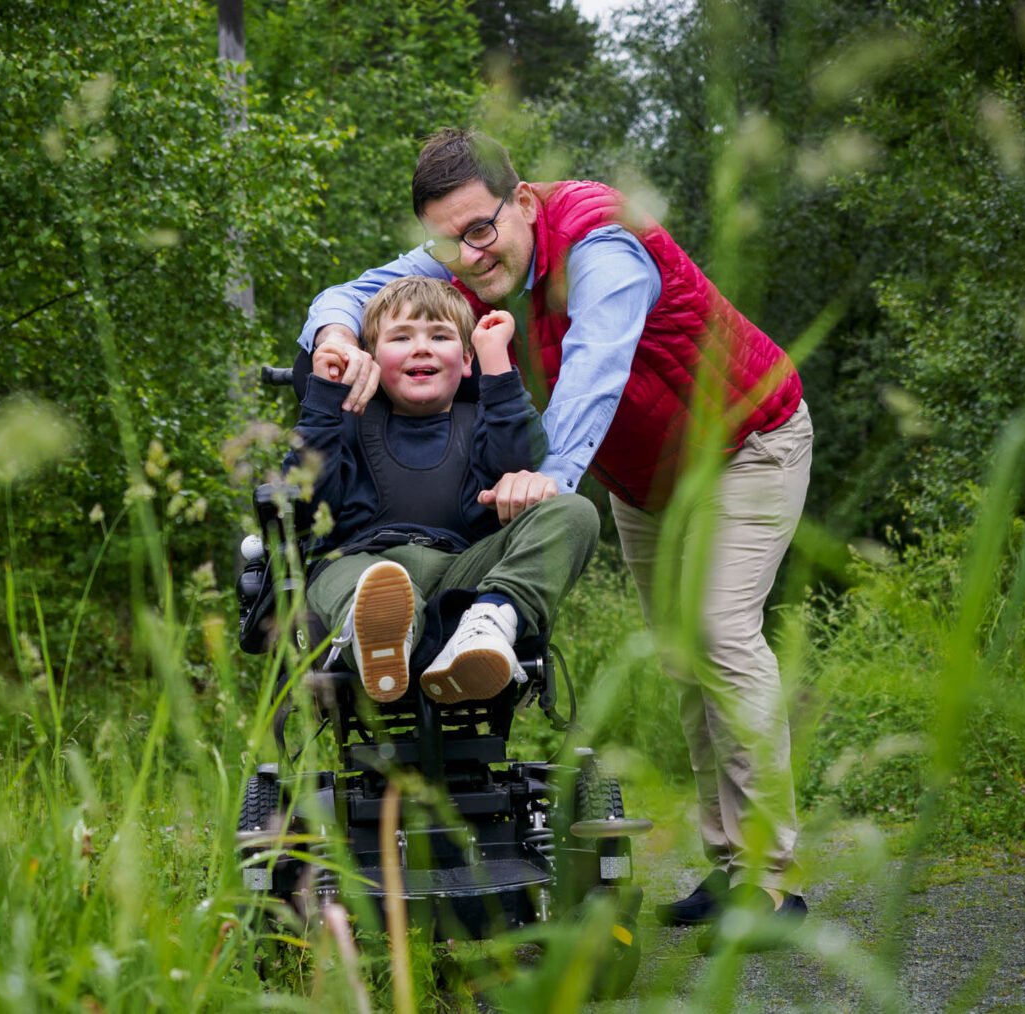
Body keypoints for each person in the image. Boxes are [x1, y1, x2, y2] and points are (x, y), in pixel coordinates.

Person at [297, 128, 814, 944]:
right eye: (447, 239)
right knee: (682, 654)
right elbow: (356, 293)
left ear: (524, 202)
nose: (467, 254)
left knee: (720, 635)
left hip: (746, 445)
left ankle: (770, 883)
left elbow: (598, 359)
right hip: (650, 481)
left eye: (479, 229)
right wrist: (331, 337)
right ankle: (728, 868)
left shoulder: (602, 242)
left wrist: (554, 479)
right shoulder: (469, 257)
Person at [285, 274, 598, 706]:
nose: (422, 347)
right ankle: (380, 639)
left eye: (439, 336)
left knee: (575, 511)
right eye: (401, 337)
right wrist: (324, 395)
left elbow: (518, 457)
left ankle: (489, 622)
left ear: (466, 359)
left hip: (462, 580)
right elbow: (306, 500)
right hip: (359, 562)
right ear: (371, 357)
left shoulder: (482, 419)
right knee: (356, 579)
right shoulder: (345, 421)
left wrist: (496, 362)